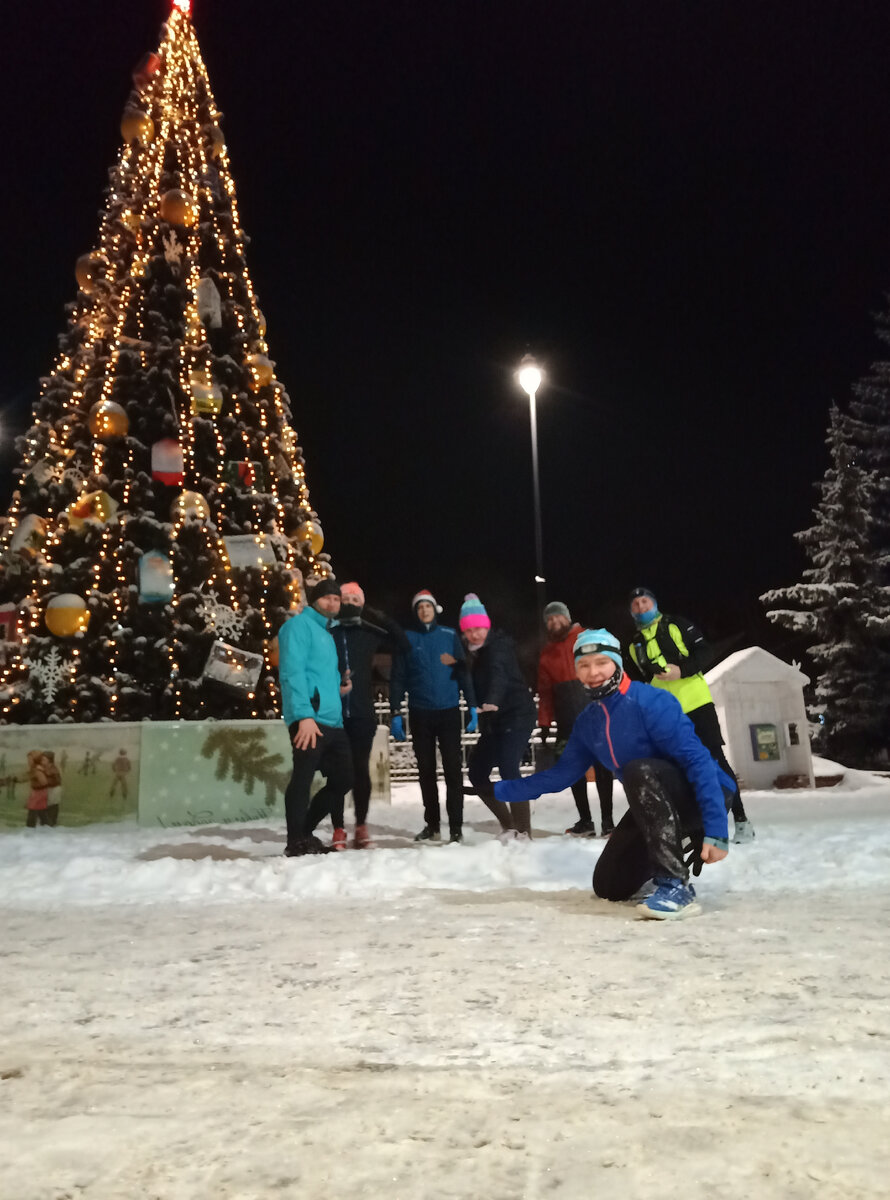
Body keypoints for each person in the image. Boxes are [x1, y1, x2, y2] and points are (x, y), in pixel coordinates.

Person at [492, 629, 733, 919]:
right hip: (654, 798)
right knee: (609, 886)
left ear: (617, 663)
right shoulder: (588, 722)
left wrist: (715, 827)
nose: (593, 672)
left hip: (704, 793)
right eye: (583, 665)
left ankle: (675, 886)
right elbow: (560, 776)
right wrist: (499, 791)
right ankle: (666, 855)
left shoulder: (650, 702)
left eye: (601, 663)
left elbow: (699, 762)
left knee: (638, 769)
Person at [627, 587, 754, 843]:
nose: (641, 607)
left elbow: (705, 652)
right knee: (677, 767)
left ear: (654, 603)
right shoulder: (634, 645)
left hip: (697, 703)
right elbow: (641, 680)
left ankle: (741, 821)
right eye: (635, 605)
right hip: (666, 713)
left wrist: (681, 670)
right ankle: (693, 826)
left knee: (715, 760)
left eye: (645, 601)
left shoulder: (676, 624)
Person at [389, 589, 477, 844]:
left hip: (448, 711)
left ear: (434, 609)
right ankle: (433, 825)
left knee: (452, 771)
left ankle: (456, 827)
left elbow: (462, 672)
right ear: (416, 612)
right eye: (419, 608)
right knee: (426, 771)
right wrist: (396, 711)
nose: (424, 611)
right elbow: (398, 677)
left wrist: (472, 705)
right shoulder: (407, 638)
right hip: (420, 712)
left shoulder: (449, 636)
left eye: (427, 606)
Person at [329, 582, 409, 849]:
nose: (350, 602)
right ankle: (338, 828)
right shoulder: (328, 632)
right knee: (338, 773)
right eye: (346, 598)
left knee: (360, 771)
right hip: (334, 714)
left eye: (356, 598)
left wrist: (377, 614)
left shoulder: (369, 632)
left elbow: (403, 642)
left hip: (362, 713)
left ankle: (360, 827)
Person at [278, 577, 354, 856]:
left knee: (345, 778)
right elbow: (292, 672)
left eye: (336, 599)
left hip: (332, 721)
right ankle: (295, 841)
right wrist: (303, 715)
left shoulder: (326, 633)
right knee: (303, 777)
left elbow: (320, 675)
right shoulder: (297, 627)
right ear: (314, 600)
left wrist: (338, 688)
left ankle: (304, 831)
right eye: (327, 598)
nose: (332, 603)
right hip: (309, 718)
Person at [460, 594, 538, 840]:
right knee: (477, 771)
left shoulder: (498, 646)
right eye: (470, 630)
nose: (475, 634)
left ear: (487, 626)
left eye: (479, 628)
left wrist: (492, 698)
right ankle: (509, 825)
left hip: (517, 714)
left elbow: (499, 674)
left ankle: (523, 831)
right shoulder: (473, 653)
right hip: (495, 720)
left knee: (508, 767)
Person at [537, 600, 614, 837]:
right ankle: (586, 820)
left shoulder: (588, 638)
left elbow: (610, 669)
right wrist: (544, 722)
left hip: (596, 713)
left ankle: (608, 821)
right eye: (549, 619)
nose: (554, 622)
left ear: (567, 618)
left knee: (603, 768)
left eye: (557, 617)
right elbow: (545, 693)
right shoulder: (546, 655)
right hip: (567, 719)